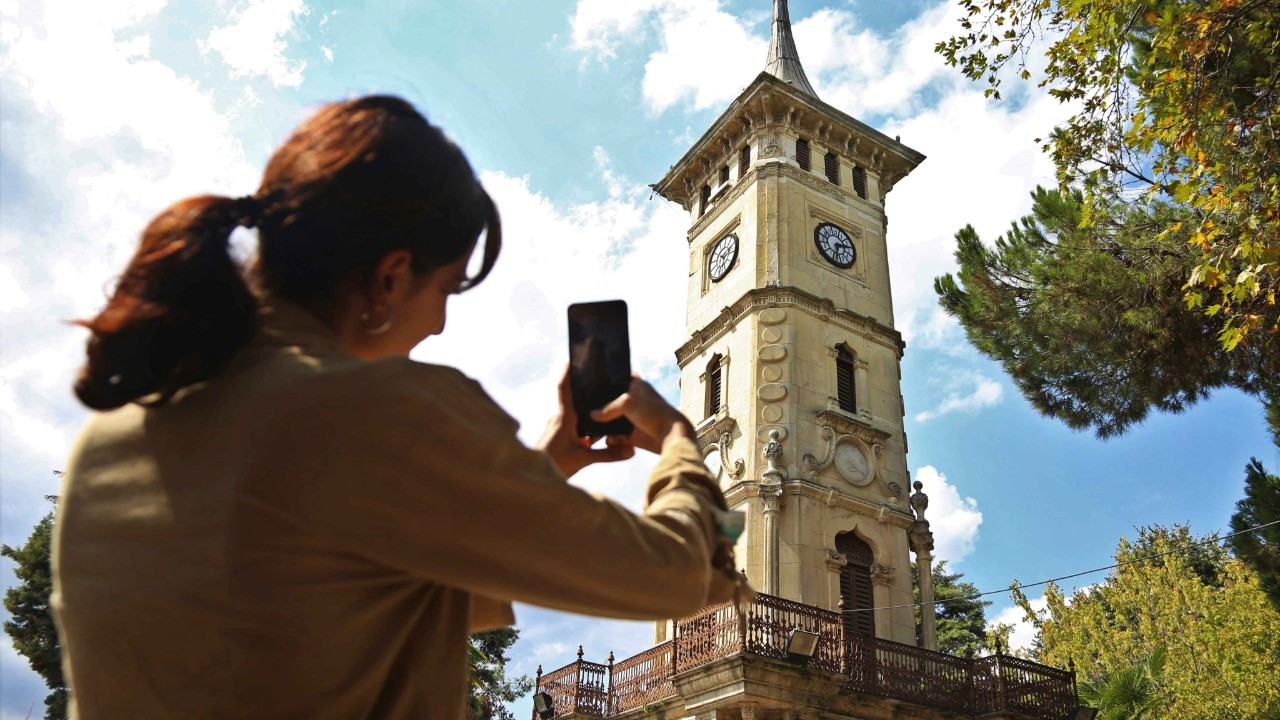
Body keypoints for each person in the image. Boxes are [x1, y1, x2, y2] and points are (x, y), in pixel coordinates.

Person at [52, 95, 749, 719]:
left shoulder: (114, 435)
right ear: (388, 278)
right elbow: (676, 575)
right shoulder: (387, 413)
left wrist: (548, 462)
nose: (440, 325)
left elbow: (369, 601)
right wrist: (683, 439)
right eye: (446, 290)